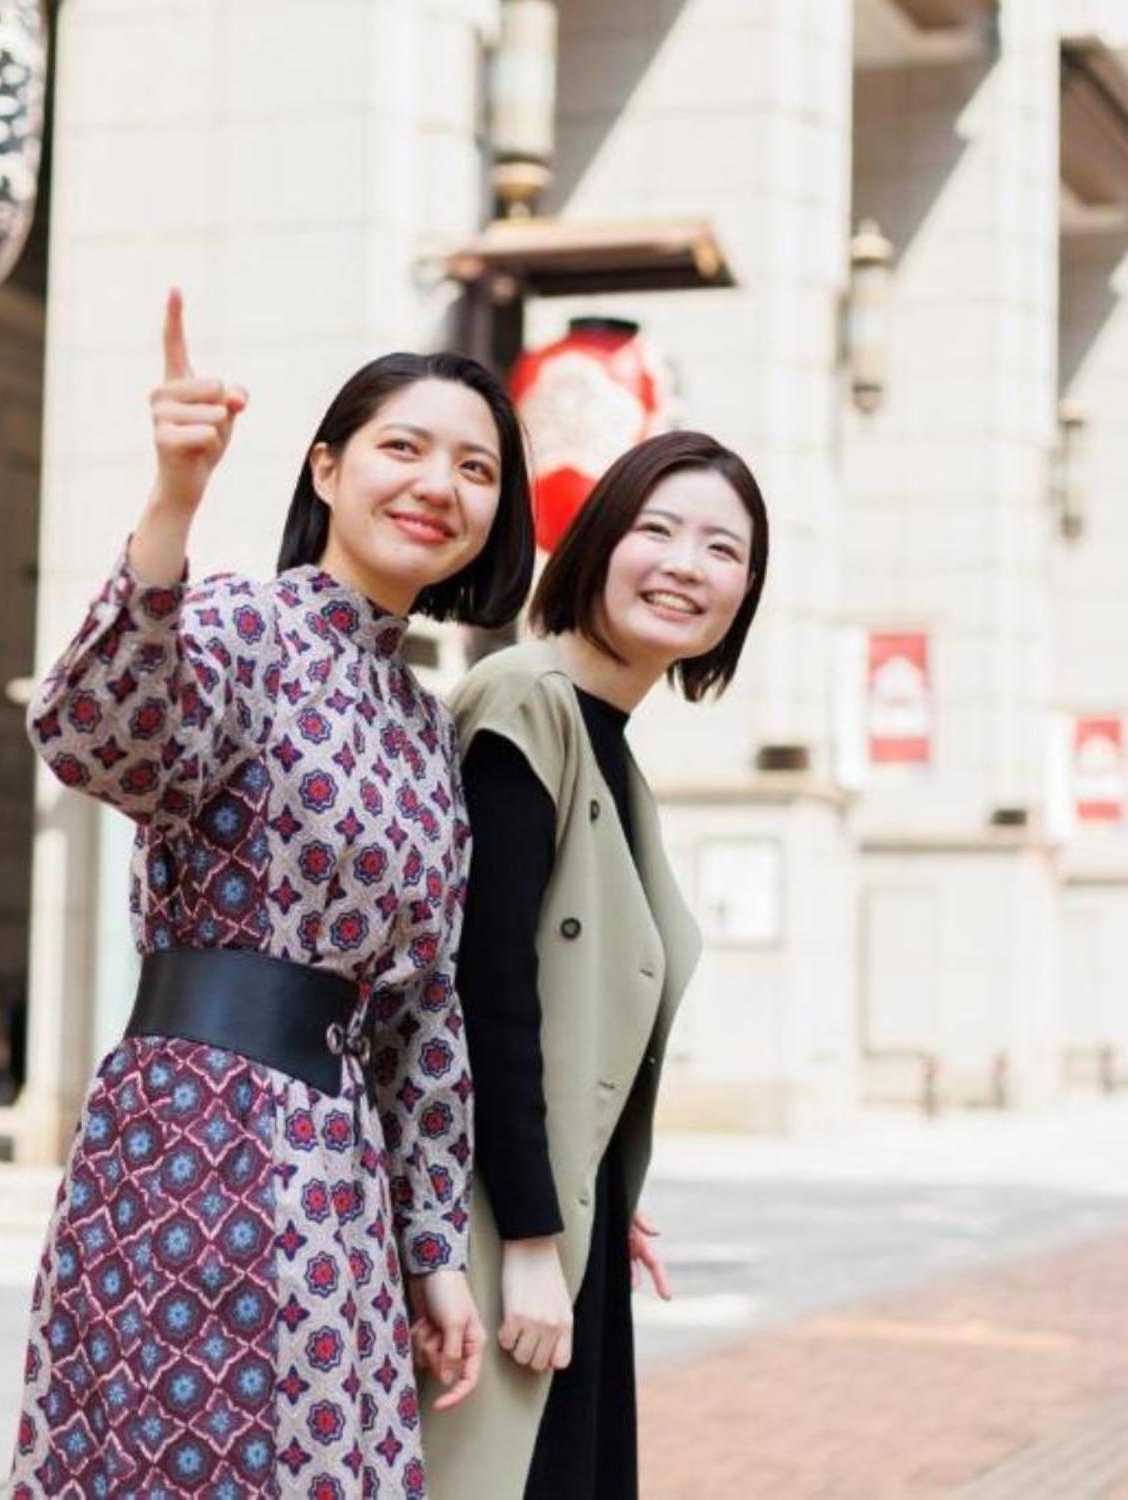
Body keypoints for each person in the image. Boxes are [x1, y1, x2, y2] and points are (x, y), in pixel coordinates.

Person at [10, 292, 535, 1497]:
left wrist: (433, 1253)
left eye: (475, 468)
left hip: (338, 1166)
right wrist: (173, 498)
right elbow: (100, 736)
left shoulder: (420, 725)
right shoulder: (245, 621)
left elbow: (421, 1017)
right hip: (192, 1136)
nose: (436, 486)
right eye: (403, 448)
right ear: (328, 467)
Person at [422, 430, 770, 1499]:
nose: (683, 565)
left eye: (722, 549)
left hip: (567, 1222)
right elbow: (483, 989)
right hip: (503, 1231)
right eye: (655, 529)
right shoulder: (526, 702)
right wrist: (530, 1233)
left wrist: (603, 1187)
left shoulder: (612, 745)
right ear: (597, 543)